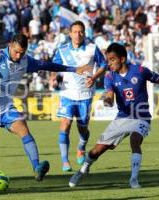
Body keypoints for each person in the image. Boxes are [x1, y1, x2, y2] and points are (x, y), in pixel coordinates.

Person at [0, 33, 92, 192]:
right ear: (10, 44)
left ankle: (37, 167)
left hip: (6, 108)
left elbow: (47, 65)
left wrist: (75, 69)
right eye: (16, 51)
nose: (19, 55)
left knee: (23, 129)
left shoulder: (25, 61)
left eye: (22, 52)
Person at [69, 43, 159, 188]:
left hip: (141, 116)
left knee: (135, 140)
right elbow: (109, 96)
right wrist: (108, 100)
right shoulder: (110, 77)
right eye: (108, 60)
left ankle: (133, 179)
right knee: (97, 151)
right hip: (122, 117)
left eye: (112, 59)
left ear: (122, 59)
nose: (110, 63)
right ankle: (83, 169)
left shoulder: (140, 71)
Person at [52, 21, 107, 171]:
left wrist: (94, 77)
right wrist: (53, 77)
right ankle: (65, 161)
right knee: (65, 124)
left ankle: (81, 146)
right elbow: (54, 65)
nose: (78, 34)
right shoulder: (62, 50)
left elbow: (104, 64)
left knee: (82, 128)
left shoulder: (92, 48)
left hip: (85, 94)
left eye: (81, 32)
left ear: (84, 33)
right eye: (75, 32)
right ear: (70, 34)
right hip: (67, 93)